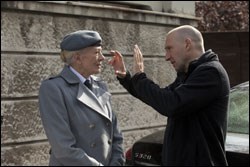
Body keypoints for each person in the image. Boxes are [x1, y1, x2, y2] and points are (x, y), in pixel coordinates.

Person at [109, 25, 230, 166]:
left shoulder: (211, 72)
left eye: (169, 49)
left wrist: (140, 77)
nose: (167, 57)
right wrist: (127, 78)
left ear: (187, 44)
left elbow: (171, 104)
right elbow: (160, 97)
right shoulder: (190, 73)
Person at [39, 30, 125, 166]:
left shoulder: (100, 85)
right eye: (97, 53)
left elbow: (116, 136)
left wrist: (117, 163)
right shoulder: (53, 88)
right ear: (78, 58)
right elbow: (63, 149)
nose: (102, 58)